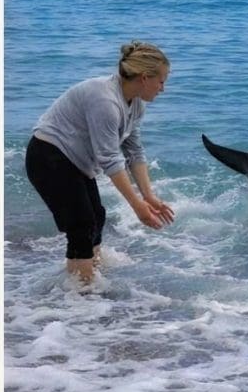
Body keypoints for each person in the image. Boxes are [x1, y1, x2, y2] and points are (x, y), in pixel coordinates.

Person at [25, 41, 175, 284]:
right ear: (145, 78)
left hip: (74, 161)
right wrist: (137, 207)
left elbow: (134, 151)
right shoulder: (105, 100)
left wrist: (148, 196)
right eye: (162, 81)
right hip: (48, 156)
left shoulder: (135, 104)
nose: (163, 89)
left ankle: (87, 279)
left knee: (97, 216)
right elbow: (110, 159)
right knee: (81, 224)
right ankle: (82, 291)